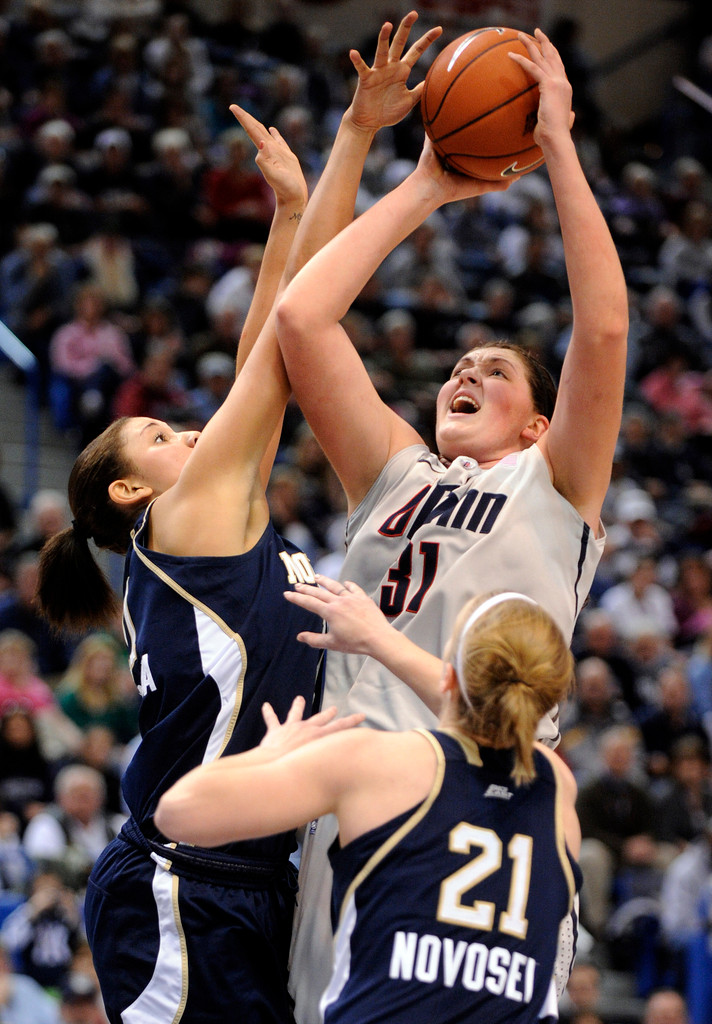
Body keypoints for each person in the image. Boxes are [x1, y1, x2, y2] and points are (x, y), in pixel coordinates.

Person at [35, 14, 442, 1023]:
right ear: (132, 492)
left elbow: (283, 333)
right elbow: (289, 340)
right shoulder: (181, 532)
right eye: (167, 433)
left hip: (251, 880)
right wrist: (350, 145)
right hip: (185, 879)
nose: (192, 434)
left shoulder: (213, 527)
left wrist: (292, 212)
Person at [275, 27, 628, 1018]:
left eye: (497, 370)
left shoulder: (554, 487)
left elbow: (601, 328)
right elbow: (302, 321)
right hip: (351, 796)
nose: (465, 370)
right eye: (458, 364)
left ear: (541, 421)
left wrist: (555, 140)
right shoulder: (393, 470)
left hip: (483, 802)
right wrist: (427, 182)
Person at [156, 591, 580, 1024]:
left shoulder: (379, 763)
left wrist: (272, 752)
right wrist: (380, 640)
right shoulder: (557, 789)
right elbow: (489, 717)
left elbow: (176, 813)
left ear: (450, 675)